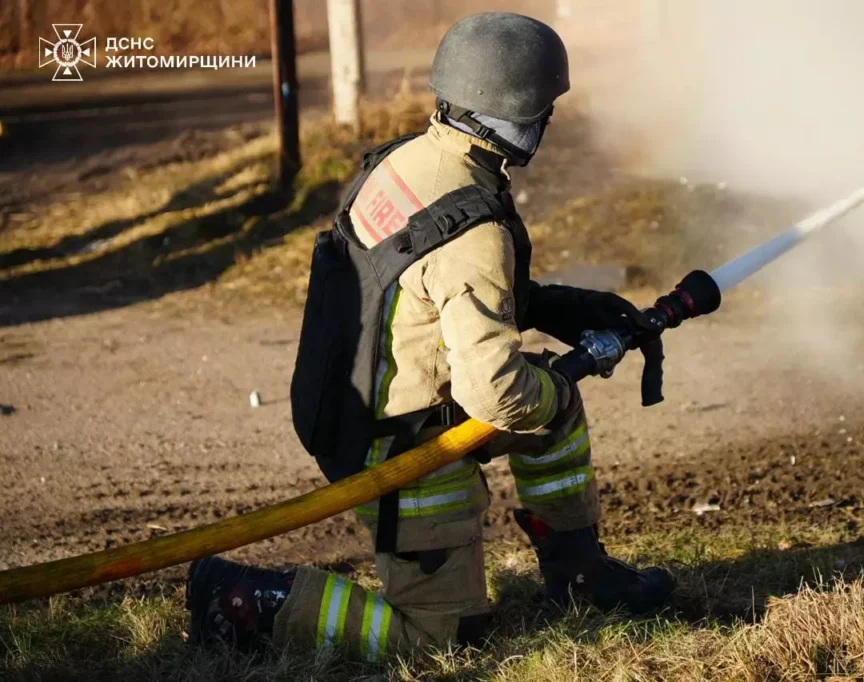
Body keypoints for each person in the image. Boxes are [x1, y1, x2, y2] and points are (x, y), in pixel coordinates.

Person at [186, 12, 674, 661]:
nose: (550, 122)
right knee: (438, 640)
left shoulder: (406, 161)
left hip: (349, 403)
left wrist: (562, 309)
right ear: (519, 114)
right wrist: (554, 387)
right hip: (397, 450)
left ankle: (577, 575)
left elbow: (424, 285)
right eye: (545, 109)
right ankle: (248, 600)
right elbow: (496, 391)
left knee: (551, 415)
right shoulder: (476, 233)